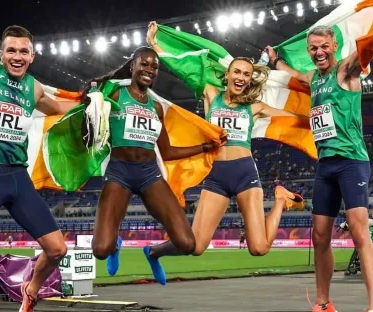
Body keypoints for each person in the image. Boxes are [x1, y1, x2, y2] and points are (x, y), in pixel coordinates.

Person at [143, 21, 305, 285]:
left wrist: (317, 116)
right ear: (227, 75)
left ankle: (279, 199)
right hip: (217, 176)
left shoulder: (256, 107)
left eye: (246, 74)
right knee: (194, 247)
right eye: (237, 72)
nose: (241, 77)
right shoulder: (211, 95)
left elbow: (292, 118)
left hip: (245, 175)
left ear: (249, 79)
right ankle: (153, 252)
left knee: (259, 248)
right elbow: (184, 69)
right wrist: (156, 46)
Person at [85, 46, 225, 280]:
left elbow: (167, 152)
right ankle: (115, 245)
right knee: (101, 249)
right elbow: (90, 114)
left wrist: (205, 148)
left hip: (150, 174)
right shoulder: (116, 94)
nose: (149, 69)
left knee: (187, 242)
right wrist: (92, 96)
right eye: (144, 64)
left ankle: (153, 252)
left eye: (154, 66)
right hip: (119, 173)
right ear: (133, 66)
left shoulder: (156, 107)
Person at [266, 25, 373, 312]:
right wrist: (275, 60)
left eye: (324, 46)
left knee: (360, 233)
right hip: (325, 165)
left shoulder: (345, 71)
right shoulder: (314, 78)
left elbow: (364, 51)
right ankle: (323, 303)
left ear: (334, 45)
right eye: (313, 48)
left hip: (351, 162)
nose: (319, 52)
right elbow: (294, 74)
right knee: (320, 235)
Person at [0, 25, 78, 310]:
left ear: (32, 56)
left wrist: (92, 104)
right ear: (1, 54)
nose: (17, 56)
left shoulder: (33, 87)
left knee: (58, 249)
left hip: (18, 178)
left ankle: (30, 289)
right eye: (11, 50)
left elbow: (56, 108)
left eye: (23, 51)